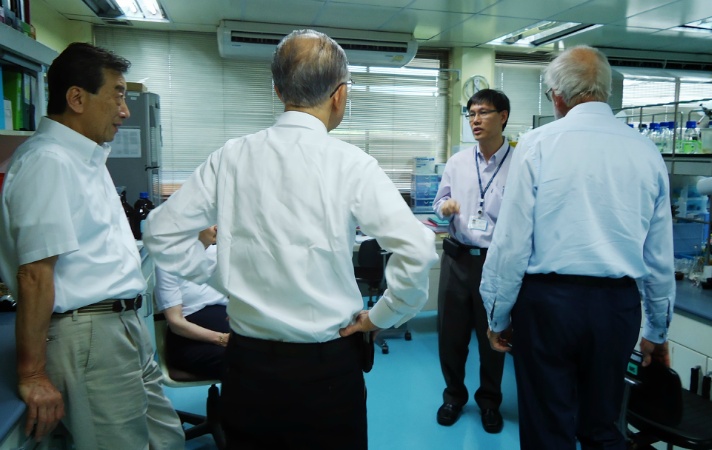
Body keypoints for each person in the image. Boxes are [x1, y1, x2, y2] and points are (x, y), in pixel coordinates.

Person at [142, 29, 438, 449]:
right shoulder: (352, 164)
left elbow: (160, 232)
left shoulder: (231, 157)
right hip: (327, 368)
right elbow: (417, 248)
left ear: (278, 91)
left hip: (247, 367)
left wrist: (219, 277)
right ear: (340, 95)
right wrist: (382, 316)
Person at [479, 45, 675, 450]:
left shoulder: (537, 144)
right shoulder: (646, 150)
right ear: (605, 91)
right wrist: (657, 330)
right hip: (617, 308)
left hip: (549, 306)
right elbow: (659, 254)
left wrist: (498, 315)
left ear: (557, 96)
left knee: (547, 428)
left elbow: (512, 243)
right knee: (603, 425)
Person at [0, 42, 184, 448]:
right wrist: (33, 374)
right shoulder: (48, 162)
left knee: (166, 439)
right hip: (88, 334)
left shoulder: (86, 157)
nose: (125, 111)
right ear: (77, 99)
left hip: (122, 325)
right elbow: (35, 274)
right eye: (117, 95)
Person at [432, 89, 511, 433]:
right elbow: (439, 203)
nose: (475, 120)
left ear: (503, 116)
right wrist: (444, 207)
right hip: (457, 259)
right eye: (471, 113)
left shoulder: (520, 164)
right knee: (451, 336)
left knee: (493, 335)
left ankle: (490, 402)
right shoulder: (458, 162)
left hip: (496, 263)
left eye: (483, 113)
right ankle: (453, 396)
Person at [155, 226, 229, 380]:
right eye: (210, 221)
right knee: (246, 362)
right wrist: (221, 338)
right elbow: (176, 322)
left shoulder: (223, 255)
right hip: (192, 342)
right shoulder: (169, 261)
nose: (217, 227)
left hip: (232, 338)